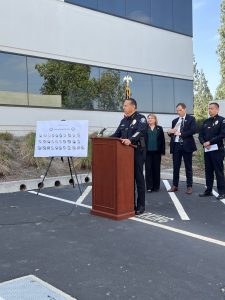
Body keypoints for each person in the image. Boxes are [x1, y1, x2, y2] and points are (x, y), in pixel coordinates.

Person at [111, 98, 147, 215]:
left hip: (136, 152)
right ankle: (130, 204)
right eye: (124, 105)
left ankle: (141, 205)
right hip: (124, 155)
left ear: (133, 106)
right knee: (127, 180)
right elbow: (116, 134)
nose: (123, 107)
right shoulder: (124, 120)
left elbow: (140, 132)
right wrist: (105, 140)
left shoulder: (141, 118)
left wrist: (130, 140)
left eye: (125, 105)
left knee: (138, 179)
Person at [167, 103, 197, 194]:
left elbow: (193, 130)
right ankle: (175, 186)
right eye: (177, 110)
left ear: (184, 109)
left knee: (188, 167)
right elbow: (172, 133)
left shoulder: (191, 119)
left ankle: (189, 186)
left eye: (180, 110)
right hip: (176, 145)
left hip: (187, 145)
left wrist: (181, 134)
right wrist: (169, 132)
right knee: (176, 167)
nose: (178, 112)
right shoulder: (175, 120)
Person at [198, 102, 225, 200]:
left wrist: (210, 142)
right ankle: (208, 190)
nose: (210, 110)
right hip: (207, 150)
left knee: (219, 171)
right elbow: (200, 135)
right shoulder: (206, 121)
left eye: (212, 108)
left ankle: (222, 192)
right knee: (208, 171)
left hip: (217, 150)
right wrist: (204, 143)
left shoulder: (222, 120)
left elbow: (222, 135)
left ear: (217, 109)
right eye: (209, 108)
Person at [145, 114, 165, 192]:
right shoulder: (144, 128)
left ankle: (156, 186)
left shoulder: (159, 128)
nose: (149, 119)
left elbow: (162, 140)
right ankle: (149, 187)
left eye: (151, 118)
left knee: (156, 169)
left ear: (155, 119)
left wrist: (162, 151)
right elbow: (142, 139)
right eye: (148, 118)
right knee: (148, 169)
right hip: (147, 152)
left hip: (157, 152)